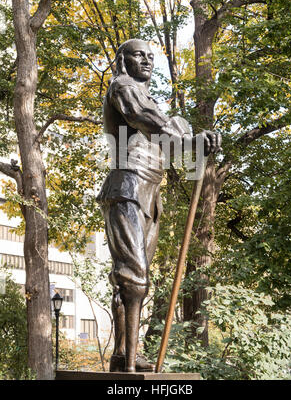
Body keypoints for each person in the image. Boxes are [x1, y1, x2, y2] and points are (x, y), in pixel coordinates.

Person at [97, 39, 221, 372]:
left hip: (150, 193)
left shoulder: (153, 102)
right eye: (140, 55)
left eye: (151, 57)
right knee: (134, 276)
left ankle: (125, 354)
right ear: (124, 60)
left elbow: (172, 143)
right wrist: (183, 135)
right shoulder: (123, 87)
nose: (147, 61)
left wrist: (194, 141)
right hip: (128, 186)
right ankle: (129, 366)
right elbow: (142, 118)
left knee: (133, 278)